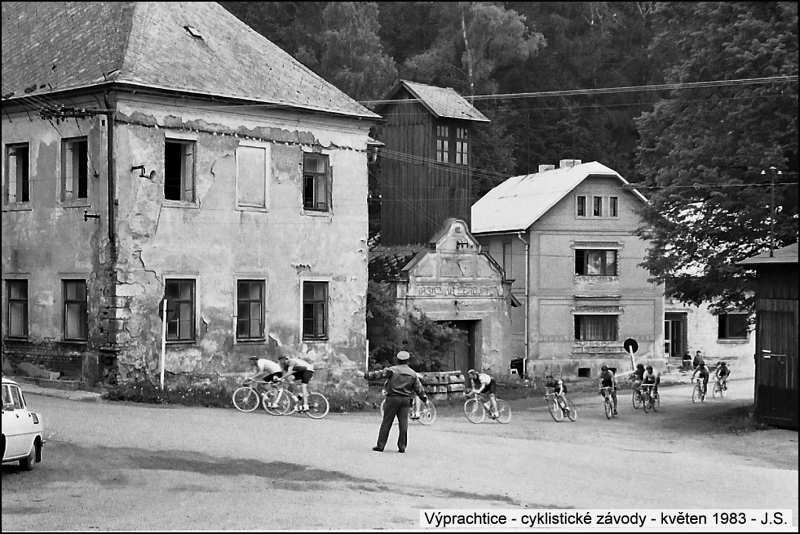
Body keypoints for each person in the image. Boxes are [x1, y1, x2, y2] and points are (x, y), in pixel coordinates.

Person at [362, 350, 427, 453]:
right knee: (403, 423)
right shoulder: (413, 374)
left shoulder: (392, 370)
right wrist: (424, 399)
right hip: (405, 400)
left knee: (387, 422)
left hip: (392, 399)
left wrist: (365, 375)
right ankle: (402, 446)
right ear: (408, 361)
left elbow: (378, 374)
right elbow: (419, 389)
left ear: (397, 360)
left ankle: (380, 445)